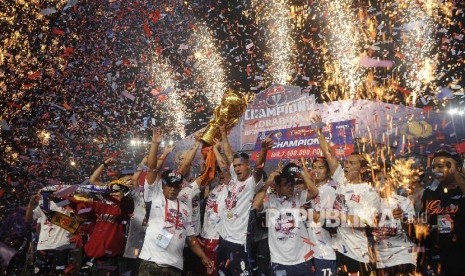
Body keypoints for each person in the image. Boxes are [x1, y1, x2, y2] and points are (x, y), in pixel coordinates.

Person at [138, 129, 213, 275]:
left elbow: (191, 238)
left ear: (180, 187)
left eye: (176, 186)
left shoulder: (185, 207)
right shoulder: (154, 196)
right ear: (163, 185)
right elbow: (152, 168)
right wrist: (155, 143)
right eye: (169, 185)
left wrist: (204, 257)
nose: (172, 189)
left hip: (175, 265)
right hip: (151, 261)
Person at [216, 128, 273, 276]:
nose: (236, 168)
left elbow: (259, 168)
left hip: (239, 241)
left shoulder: (251, 183)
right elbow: (229, 154)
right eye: (235, 166)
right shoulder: (233, 178)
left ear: (248, 165)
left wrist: (263, 150)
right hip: (223, 238)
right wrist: (223, 133)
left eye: (240, 165)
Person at [253, 161, 319, 276]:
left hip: (303, 258)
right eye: (286, 185)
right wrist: (268, 181)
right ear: (277, 187)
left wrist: (302, 172)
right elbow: (256, 205)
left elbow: (314, 192)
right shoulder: (270, 200)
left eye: (291, 184)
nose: (291, 188)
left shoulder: (297, 196)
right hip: (280, 260)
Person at [420, 150, 465, 275]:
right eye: (433, 167)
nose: (435, 171)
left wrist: (456, 172)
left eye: (440, 166)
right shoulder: (429, 192)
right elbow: (424, 218)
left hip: (460, 254)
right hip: (435, 254)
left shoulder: (462, 189)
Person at [373, 176, 417, 275]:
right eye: (379, 179)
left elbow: (414, 230)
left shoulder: (404, 202)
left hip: (403, 253)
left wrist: (404, 217)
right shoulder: (370, 203)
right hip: (381, 255)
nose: (382, 182)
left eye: (385, 178)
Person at [25, 193, 73, 275]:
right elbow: (28, 219)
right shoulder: (43, 205)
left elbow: (75, 218)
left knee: (61, 273)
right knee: (39, 272)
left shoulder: (65, 203)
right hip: (44, 246)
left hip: (61, 245)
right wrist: (31, 203)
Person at [306, 157, 338, 276]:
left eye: (321, 167)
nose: (317, 171)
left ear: (328, 171)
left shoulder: (333, 190)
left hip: (326, 251)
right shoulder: (307, 191)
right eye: (314, 168)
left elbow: (333, 220)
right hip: (309, 251)